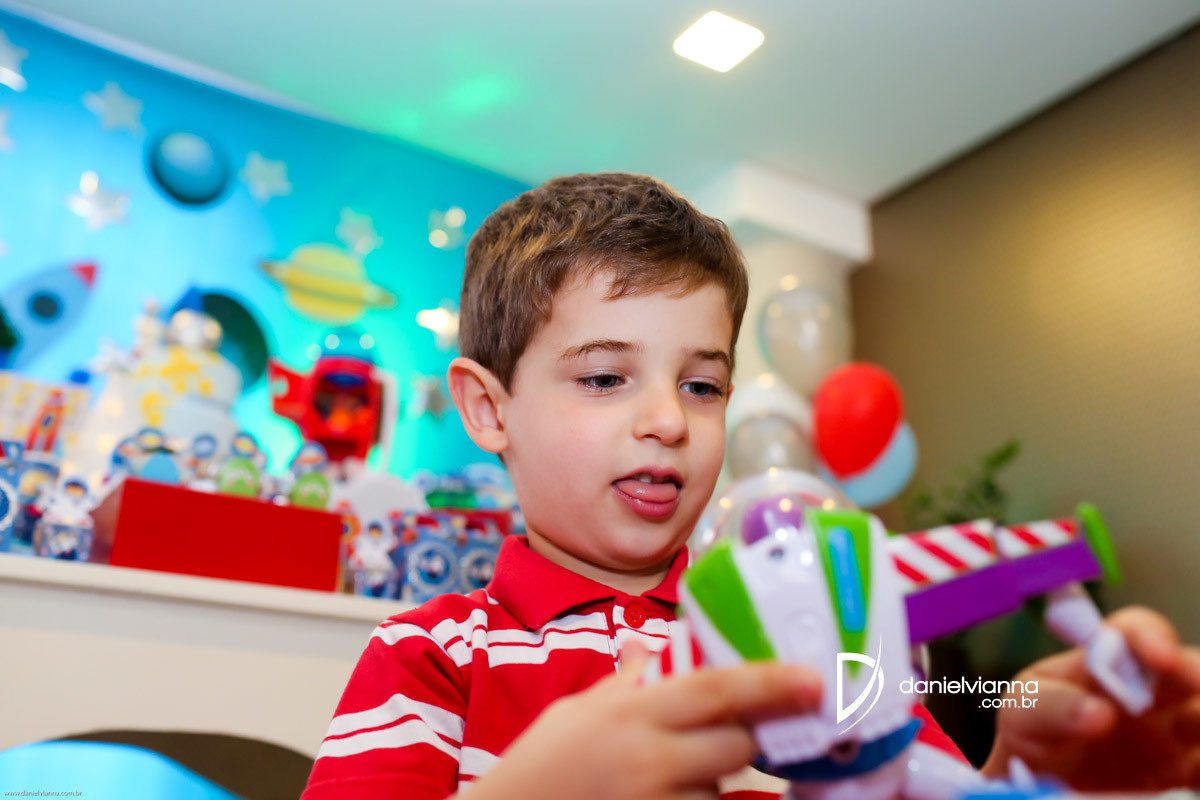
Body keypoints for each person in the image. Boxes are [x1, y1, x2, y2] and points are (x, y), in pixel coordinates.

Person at [302, 173, 1200, 799]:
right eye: (606, 377)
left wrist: (1033, 773)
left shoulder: (818, 619)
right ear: (487, 409)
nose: (669, 420)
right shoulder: (430, 655)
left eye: (702, 385)